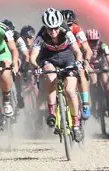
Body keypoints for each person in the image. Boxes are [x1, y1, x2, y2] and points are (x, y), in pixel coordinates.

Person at [29, 8, 86, 142]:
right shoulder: (41, 35)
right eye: (50, 29)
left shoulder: (67, 32)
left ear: (59, 25)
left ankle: (76, 124)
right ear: (45, 27)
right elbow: (33, 57)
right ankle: (52, 113)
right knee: (50, 76)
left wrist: (78, 62)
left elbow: (78, 52)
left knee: (70, 90)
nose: (53, 32)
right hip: (49, 58)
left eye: (55, 28)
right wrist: (36, 68)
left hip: (67, 57)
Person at [61, 9, 93, 118]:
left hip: (76, 54)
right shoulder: (57, 30)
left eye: (69, 24)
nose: (67, 27)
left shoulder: (77, 29)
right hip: (62, 56)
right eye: (64, 24)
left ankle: (85, 104)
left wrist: (86, 61)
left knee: (80, 72)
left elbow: (88, 49)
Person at [85, 28, 109, 119]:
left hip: (102, 65)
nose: (93, 43)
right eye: (91, 41)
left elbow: (108, 58)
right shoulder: (84, 46)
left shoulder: (103, 45)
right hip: (91, 66)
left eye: (95, 41)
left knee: (105, 83)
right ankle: (94, 104)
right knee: (93, 82)